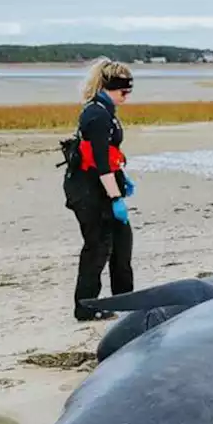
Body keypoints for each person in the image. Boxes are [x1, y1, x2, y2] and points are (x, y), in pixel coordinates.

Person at [61, 57, 137, 321]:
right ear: (108, 87)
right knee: (97, 247)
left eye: (129, 92)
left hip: (104, 185)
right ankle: (86, 307)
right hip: (88, 191)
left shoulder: (107, 111)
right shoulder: (96, 114)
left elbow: (110, 157)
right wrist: (115, 197)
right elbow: (101, 163)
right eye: (122, 92)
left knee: (122, 243)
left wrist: (121, 181)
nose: (126, 97)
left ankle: (126, 301)